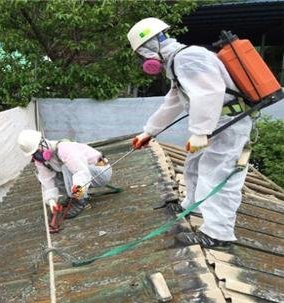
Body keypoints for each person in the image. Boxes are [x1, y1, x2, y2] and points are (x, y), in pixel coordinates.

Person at [127, 17, 251, 249]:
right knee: (193, 165)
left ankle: (218, 233)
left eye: (142, 54)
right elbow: (173, 102)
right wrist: (148, 132)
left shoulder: (189, 58)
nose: (144, 61)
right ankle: (192, 205)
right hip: (217, 123)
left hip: (228, 124)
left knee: (216, 175)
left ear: (150, 48)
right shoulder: (177, 61)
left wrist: (200, 132)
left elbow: (208, 93)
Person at [17, 129, 112, 218]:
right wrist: (51, 201)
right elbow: (47, 181)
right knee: (49, 176)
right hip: (85, 177)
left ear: (43, 141)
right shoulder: (41, 161)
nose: (37, 154)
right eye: (34, 153)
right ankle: (72, 197)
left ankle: (80, 201)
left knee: (66, 167)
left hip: (101, 171)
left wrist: (79, 188)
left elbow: (81, 171)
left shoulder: (64, 148)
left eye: (37, 150)